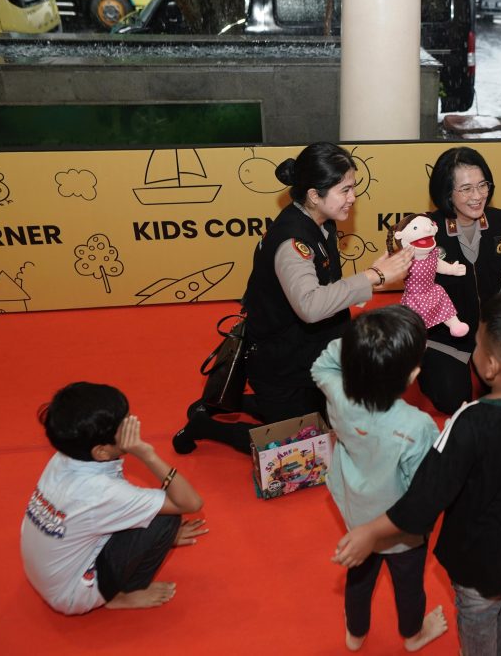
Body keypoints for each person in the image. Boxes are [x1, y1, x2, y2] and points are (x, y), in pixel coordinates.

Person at [332, 291, 501, 656]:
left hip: (475, 561)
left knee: (478, 619)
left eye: (477, 344)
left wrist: (371, 530)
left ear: (491, 366)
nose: (473, 350)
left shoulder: (467, 422)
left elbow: (425, 498)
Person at [173, 142, 414, 454]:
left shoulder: (322, 221)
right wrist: (373, 276)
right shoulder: (292, 242)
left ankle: (229, 399)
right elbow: (311, 307)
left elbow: (329, 288)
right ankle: (204, 425)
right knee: (299, 444)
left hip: (311, 352)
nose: (353, 198)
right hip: (281, 362)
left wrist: (375, 280)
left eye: (353, 188)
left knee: (333, 421)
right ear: (314, 195)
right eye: (345, 190)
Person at [310, 305, 448, 652]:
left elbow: (321, 364)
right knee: (409, 585)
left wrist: (361, 343)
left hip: (356, 513)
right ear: (413, 375)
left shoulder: (338, 396)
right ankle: (413, 636)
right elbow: (422, 491)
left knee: (359, 576)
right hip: (400, 528)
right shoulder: (418, 426)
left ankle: (355, 635)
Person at [21, 382, 207, 615]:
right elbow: (190, 502)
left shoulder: (64, 458)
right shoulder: (101, 492)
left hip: (47, 573)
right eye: (124, 425)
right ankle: (123, 595)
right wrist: (147, 454)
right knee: (166, 519)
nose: (133, 424)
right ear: (101, 451)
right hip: (71, 594)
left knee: (152, 512)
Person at [418, 146, 501, 415]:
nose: (477, 197)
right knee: (454, 400)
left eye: (482, 185)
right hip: (443, 337)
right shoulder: (426, 233)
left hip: (488, 331)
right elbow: (419, 296)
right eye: (465, 189)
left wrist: (498, 333)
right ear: (446, 193)